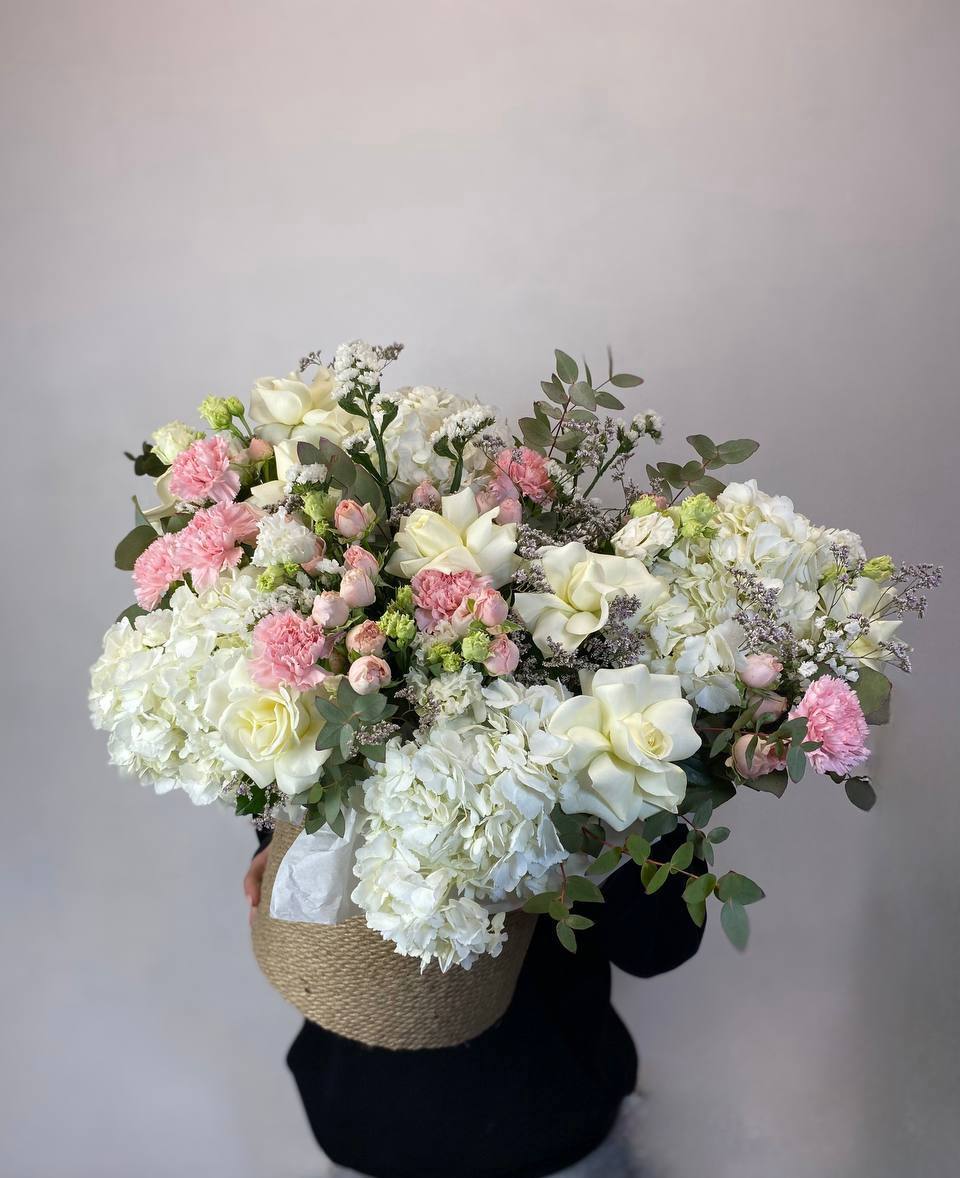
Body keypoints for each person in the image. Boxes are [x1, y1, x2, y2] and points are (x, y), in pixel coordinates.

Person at [244, 827, 705, 1178]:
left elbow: (649, 948)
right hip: (363, 1113)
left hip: (554, 1118)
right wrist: (284, 843)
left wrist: (659, 807)